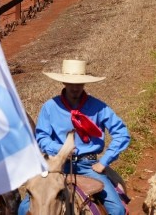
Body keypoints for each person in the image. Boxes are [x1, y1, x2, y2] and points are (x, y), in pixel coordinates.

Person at [23, 60, 131, 215]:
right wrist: (61, 151)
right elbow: (42, 137)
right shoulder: (50, 107)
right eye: (71, 83)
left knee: (117, 209)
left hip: (88, 165)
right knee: (23, 209)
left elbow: (121, 134)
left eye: (79, 84)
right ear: (63, 82)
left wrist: (104, 162)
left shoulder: (98, 107)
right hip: (56, 167)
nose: (75, 88)